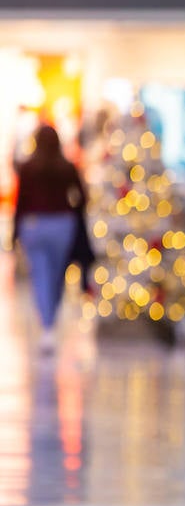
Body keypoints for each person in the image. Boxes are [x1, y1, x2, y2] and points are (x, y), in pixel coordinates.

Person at [14, 125, 90, 352]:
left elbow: (21, 202)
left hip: (34, 224)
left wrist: (14, 233)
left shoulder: (28, 167)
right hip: (61, 225)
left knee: (41, 275)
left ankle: (47, 324)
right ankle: (49, 322)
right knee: (57, 275)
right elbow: (82, 197)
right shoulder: (66, 166)